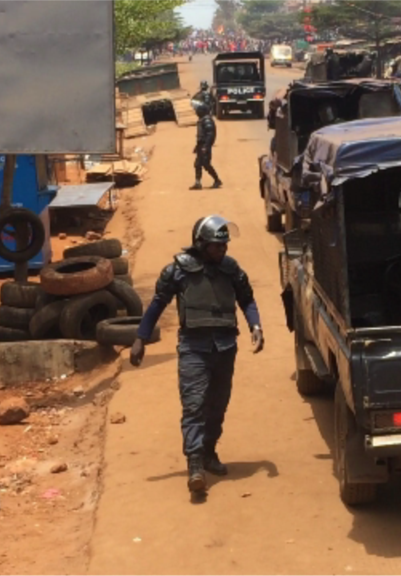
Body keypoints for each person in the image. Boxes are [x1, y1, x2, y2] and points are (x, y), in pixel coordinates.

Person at [129, 216, 264, 495]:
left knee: (217, 406)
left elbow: (247, 299)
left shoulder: (231, 269)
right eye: (216, 245)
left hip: (226, 347)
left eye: (224, 245)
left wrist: (256, 325)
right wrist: (140, 339)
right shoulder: (177, 271)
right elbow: (157, 304)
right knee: (194, 406)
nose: (222, 250)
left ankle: (209, 452)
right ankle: (194, 465)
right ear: (200, 244)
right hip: (193, 347)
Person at [191, 102, 222, 190]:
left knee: (206, 164)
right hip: (201, 145)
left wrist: (206, 146)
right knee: (198, 164)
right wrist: (197, 146)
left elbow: (210, 135)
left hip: (205, 146)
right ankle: (198, 183)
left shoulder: (207, 120)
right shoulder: (202, 120)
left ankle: (217, 180)